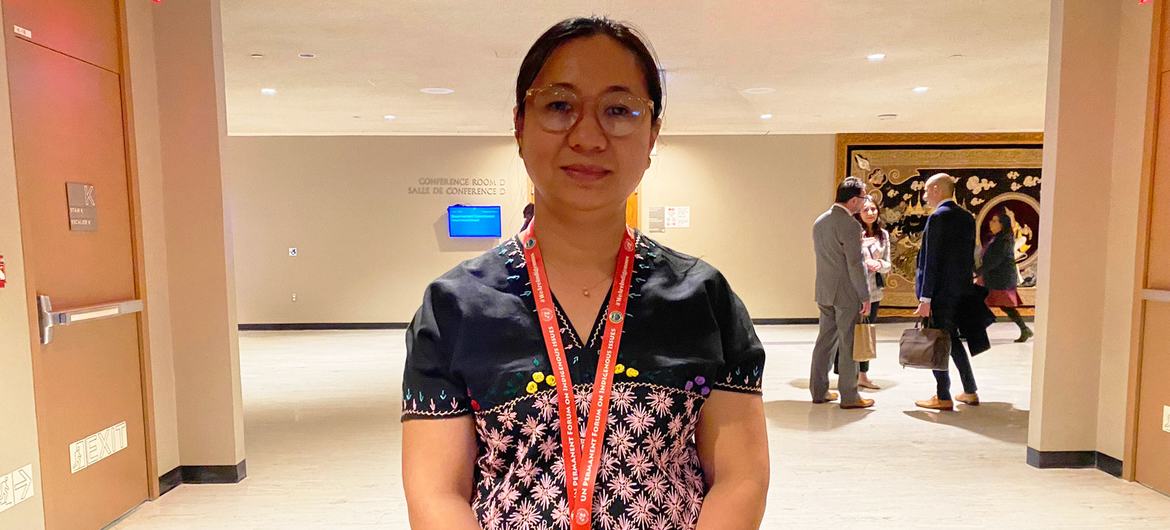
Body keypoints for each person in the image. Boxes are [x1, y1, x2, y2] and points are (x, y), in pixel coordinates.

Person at [401, 17, 769, 530]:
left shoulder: (704, 299)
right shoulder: (455, 306)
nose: (589, 136)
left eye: (619, 110)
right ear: (520, 125)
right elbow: (436, 494)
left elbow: (740, 478)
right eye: (559, 106)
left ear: (652, 134)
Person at [913, 173, 980, 411]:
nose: (924, 196)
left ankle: (943, 395)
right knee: (952, 340)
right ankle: (970, 390)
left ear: (936, 189)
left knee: (938, 342)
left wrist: (925, 298)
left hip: (939, 295)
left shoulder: (937, 218)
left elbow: (931, 260)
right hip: (960, 292)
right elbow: (969, 257)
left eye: (926, 191)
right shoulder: (967, 217)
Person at [811, 177, 875, 409]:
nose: (865, 203)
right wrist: (865, 295)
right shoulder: (850, 225)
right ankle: (850, 396)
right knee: (849, 343)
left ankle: (819, 391)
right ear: (854, 200)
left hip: (824, 289)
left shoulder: (820, 221)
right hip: (846, 293)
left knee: (824, 341)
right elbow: (855, 264)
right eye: (863, 198)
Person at [834, 196, 891, 390]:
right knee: (848, 332)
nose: (870, 213)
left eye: (873, 209)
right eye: (866, 209)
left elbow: (888, 263)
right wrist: (864, 263)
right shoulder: (853, 231)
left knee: (867, 332)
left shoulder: (883, 235)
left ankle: (863, 374)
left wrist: (879, 264)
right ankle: (845, 373)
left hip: (874, 291)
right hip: (854, 289)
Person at [976, 210, 1033, 342]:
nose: (991, 223)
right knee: (984, 303)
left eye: (995, 221)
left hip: (1000, 279)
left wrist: (977, 272)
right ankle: (1025, 329)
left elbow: (995, 260)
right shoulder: (996, 238)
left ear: (1002, 224)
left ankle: (976, 331)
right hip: (993, 278)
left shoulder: (1005, 240)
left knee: (1001, 305)